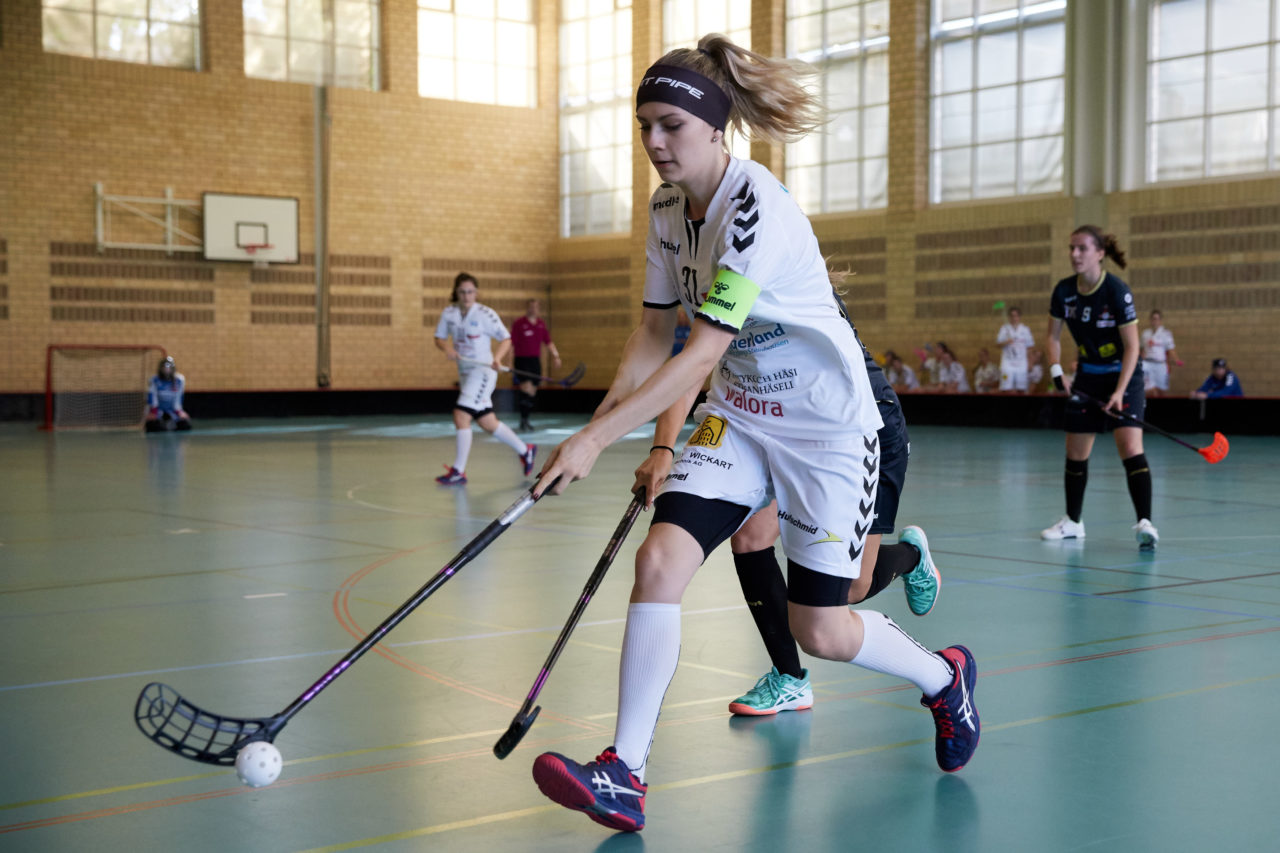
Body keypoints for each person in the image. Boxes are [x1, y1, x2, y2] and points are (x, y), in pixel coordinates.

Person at [528, 34, 979, 833]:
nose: (655, 143)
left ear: (716, 125)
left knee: (824, 629)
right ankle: (625, 772)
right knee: (661, 556)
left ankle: (943, 679)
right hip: (739, 416)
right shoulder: (669, 212)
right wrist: (625, 433)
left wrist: (596, 442)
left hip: (824, 428)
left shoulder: (756, 208)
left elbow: (701, 348)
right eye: (645, 127)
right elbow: (654, 334)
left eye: (670, 124)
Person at [633, 292, 942, 719]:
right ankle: (790, 677)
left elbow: (700, 357)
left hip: (857, 427)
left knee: (851, 588)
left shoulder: (772, 266)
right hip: (778, 424)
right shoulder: (711, 263)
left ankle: (911, 557)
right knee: (750, 537)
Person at [1042, 226, 1158, 550]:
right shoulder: (1064, 291)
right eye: (1072, 248)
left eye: (1082, 248)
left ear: (1099, 253)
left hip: (1124, 375)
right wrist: (1055, 370)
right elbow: (1052, 336)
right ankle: (1073, 522)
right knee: (1075, 452)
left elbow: (1133, 348)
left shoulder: (1117, 291)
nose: (1075, 254)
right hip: (1088, 376)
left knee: (1130, 448)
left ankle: (1145, 522)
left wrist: (1120, 392)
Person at [432, 272, 537, 485]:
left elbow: (506, 338)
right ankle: (525, 450)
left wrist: (497, 358)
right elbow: (439, 338)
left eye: (470, 291)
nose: (466, 295)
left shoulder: (485, 314)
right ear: (456, 293)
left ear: (476, 292)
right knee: (487, 422)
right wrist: (447, 348)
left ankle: (459, 471)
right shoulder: (449, 313)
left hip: (483, 372)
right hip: (465, 372)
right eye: (462, 291)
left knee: (461, 415)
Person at [510, 298, 562, 431]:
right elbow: (511, 344)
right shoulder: (519, 323)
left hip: (535, 361)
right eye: (531, 306)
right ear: (527, 308)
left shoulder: (541, 324)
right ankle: (523, 419)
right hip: (521, 360)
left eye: (536, 307)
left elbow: (548, 342)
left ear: (538, 309)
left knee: (532, 391)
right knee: (526, 387)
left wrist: (555, 356)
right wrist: (509, 363)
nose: (533, 309)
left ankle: (525, 419)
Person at [1141, 309, 1181, 397]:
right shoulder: (1145, 333)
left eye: (1157, 319)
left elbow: (1171, 349)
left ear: (1160, 320)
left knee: (1162, 390)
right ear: (1150, 320)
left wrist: (1177, 360)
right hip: (1147, 364)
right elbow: (1143, 349)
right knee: (1148, 389)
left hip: (1160, 364)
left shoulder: (1166, 334)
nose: (1155, 321)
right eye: (1153, 319)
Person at [145, 356, 191, 432]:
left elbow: (178, 398)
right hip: (158, 409)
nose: (166, 369)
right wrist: (153, 412)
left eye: (168, 367)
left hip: (172, 409)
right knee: (152, 425)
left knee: (185, 424)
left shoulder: (179, 380)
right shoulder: (154, 380)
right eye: (164, 367)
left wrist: (179, 411)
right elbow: (152, 397)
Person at [997, 306, 1035, 393]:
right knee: (1006, 388)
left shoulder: (1025, 330)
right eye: (1012, 316)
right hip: (1007, 362)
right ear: (1009, 317)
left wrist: (1030, 362)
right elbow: (998, 344)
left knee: (1021, 388)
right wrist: (1006, 342)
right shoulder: (1004, 329)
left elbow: (1030, 346)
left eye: (1016, 316)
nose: (1014, 318)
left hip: (1021, 363)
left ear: (1019, 317)